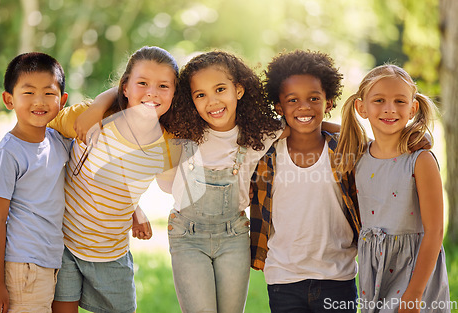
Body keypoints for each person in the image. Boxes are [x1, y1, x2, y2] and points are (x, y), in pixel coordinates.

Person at [48, 46, 181, 313]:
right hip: (64, 243)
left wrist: (134, 206)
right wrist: (100, 103)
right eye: (142, 83)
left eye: (163, 86)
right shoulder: (88, 117)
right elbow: (40, 136)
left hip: (112, 252)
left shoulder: (168, 144)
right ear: (125, 87)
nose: (152, 92)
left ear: (175, 94)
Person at [165, 50, 286, 313]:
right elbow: (131, 106)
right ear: (190, 100)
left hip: (234, 236)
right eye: (201, 95)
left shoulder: (259, 133)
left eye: (220, 89)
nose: (212, 101)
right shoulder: (181, 131)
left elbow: (303, 125)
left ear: (239, 90)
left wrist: (345, 131)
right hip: (187, 235)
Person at [249, 50, 361, 313]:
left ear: (329, 102)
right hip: (284, 279)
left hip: (338, 276)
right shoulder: (266, 153)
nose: (304, 106)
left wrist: (414, 141)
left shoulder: (344, 150)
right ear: (279, 107)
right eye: (292, 100)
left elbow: (377, 144)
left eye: (314, 98)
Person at [336, 64, 450, 313]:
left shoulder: (420, 161)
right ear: (361, 108)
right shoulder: (358, 157)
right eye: (379, 100)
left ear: (413, 108)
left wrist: (415, 293)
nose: (389, 108)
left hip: (413, 271)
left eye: (400, 101)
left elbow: (435, 231)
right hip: (374, 270)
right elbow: (327, 131)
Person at [0, 52, 71, 313]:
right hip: (23, 267)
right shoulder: (8, 154)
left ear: (62, 100)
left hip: (50, 261)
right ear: (8, 99)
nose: (39, 101)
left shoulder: (57, 141)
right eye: (28, 92)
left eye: (49, 93)